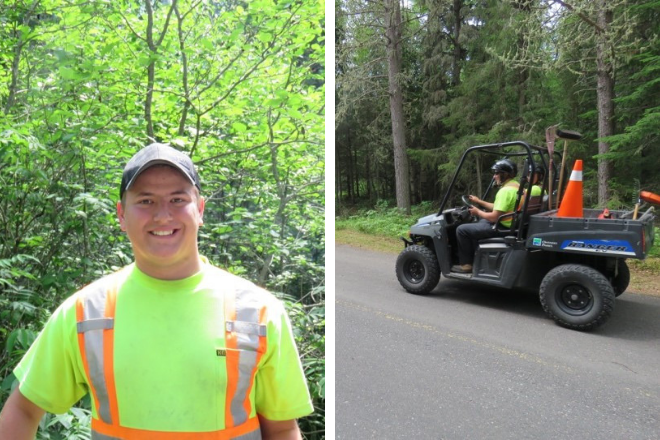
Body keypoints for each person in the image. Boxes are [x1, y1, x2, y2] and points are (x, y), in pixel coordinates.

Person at [0, 143, 313, 439]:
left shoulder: (257, 311)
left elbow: (282, 429)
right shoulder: (86, 312)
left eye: (178, 199)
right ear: (121, 214)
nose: (163, 215)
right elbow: (24, 409)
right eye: (146, 200)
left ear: (200, 209)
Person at [451, 159, 519, 274]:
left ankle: (466, 265)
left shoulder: (505, 191)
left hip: (502, 227)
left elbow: (493, 217)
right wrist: (479, 202)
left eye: (497, 173)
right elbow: (499, 207)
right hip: (510, 223)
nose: (494, 176)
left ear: (505, 174)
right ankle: (476, 258)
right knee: (479, 222)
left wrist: (478, 212)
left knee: (461, 230)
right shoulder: (516, 186)